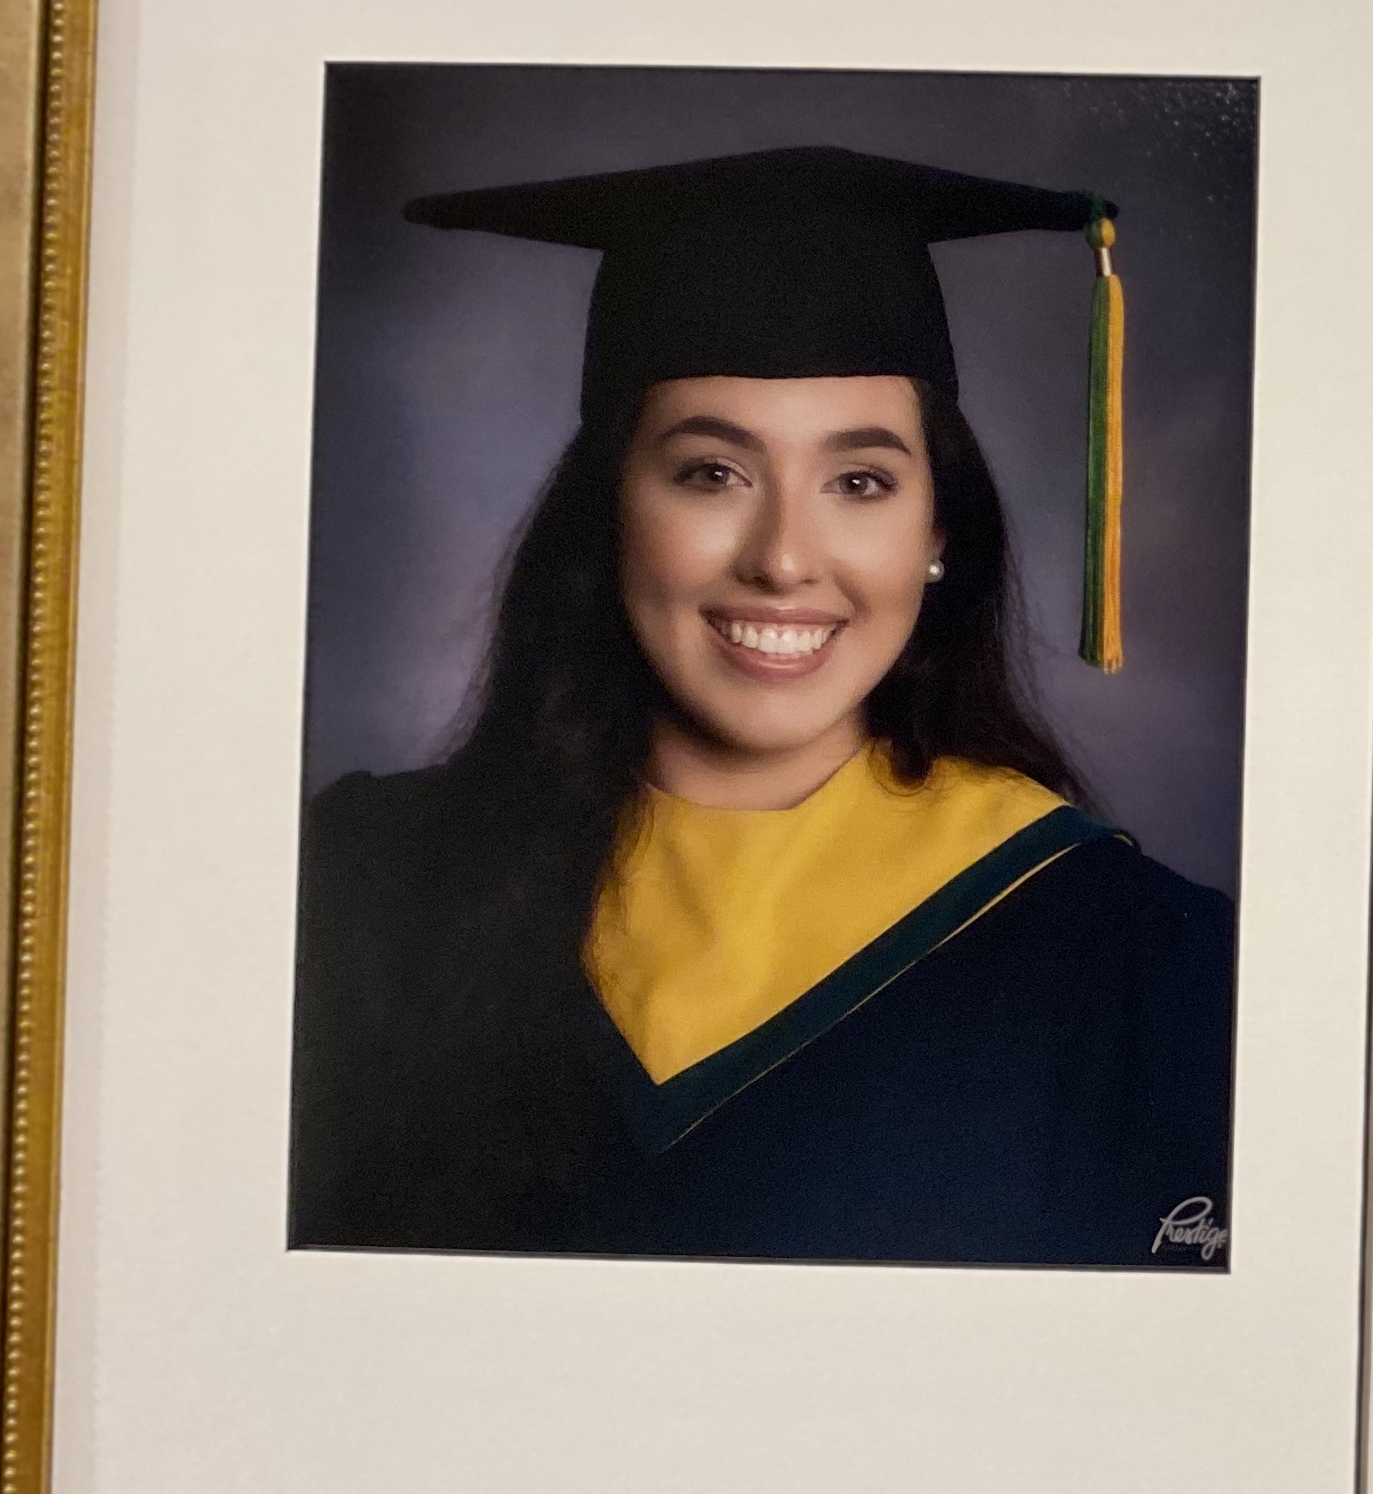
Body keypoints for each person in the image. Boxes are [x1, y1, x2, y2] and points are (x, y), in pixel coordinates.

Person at [287, 146, 1234, 1268]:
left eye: (860, 482)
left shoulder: (1144, 964)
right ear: (610, 509)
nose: (783, 558)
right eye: (711, 472)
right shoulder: (359, 885)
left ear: (936, 534)